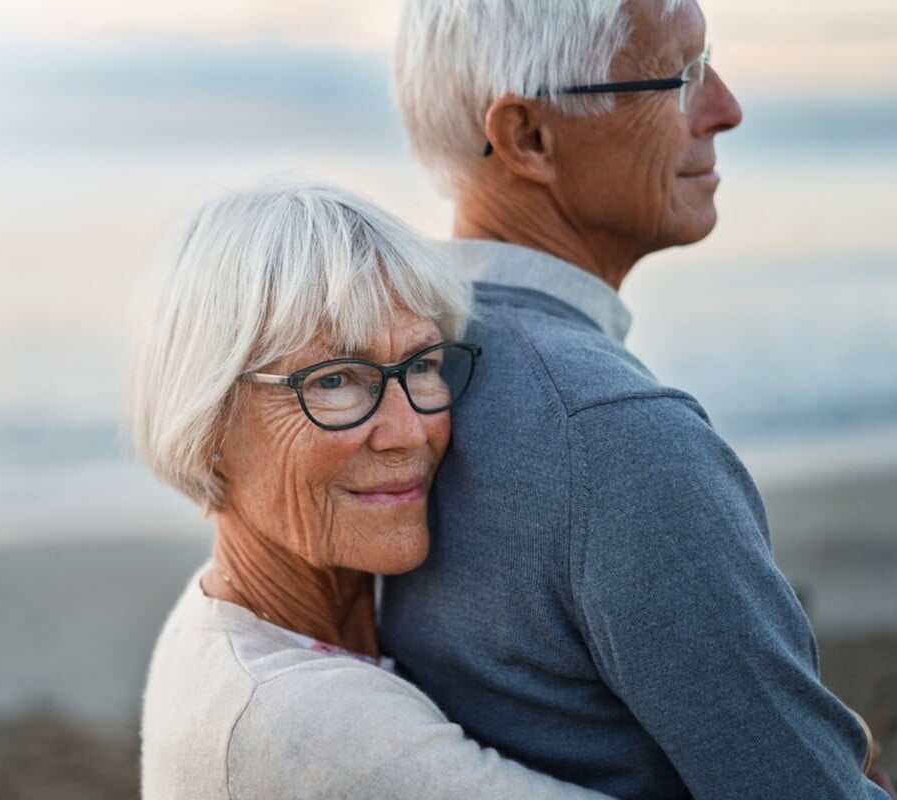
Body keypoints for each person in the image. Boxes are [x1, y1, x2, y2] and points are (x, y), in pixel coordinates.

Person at [379, 1, 894, 798]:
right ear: (528, 138)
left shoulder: (399, 376)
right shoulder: (617, 439)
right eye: (681, 75)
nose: (725, 108)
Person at [131, 183, 612, 799]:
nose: (409, 433)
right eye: (334, 380)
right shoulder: (311, 726)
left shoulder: (218, 616)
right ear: (206, 429)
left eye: (421, 365)